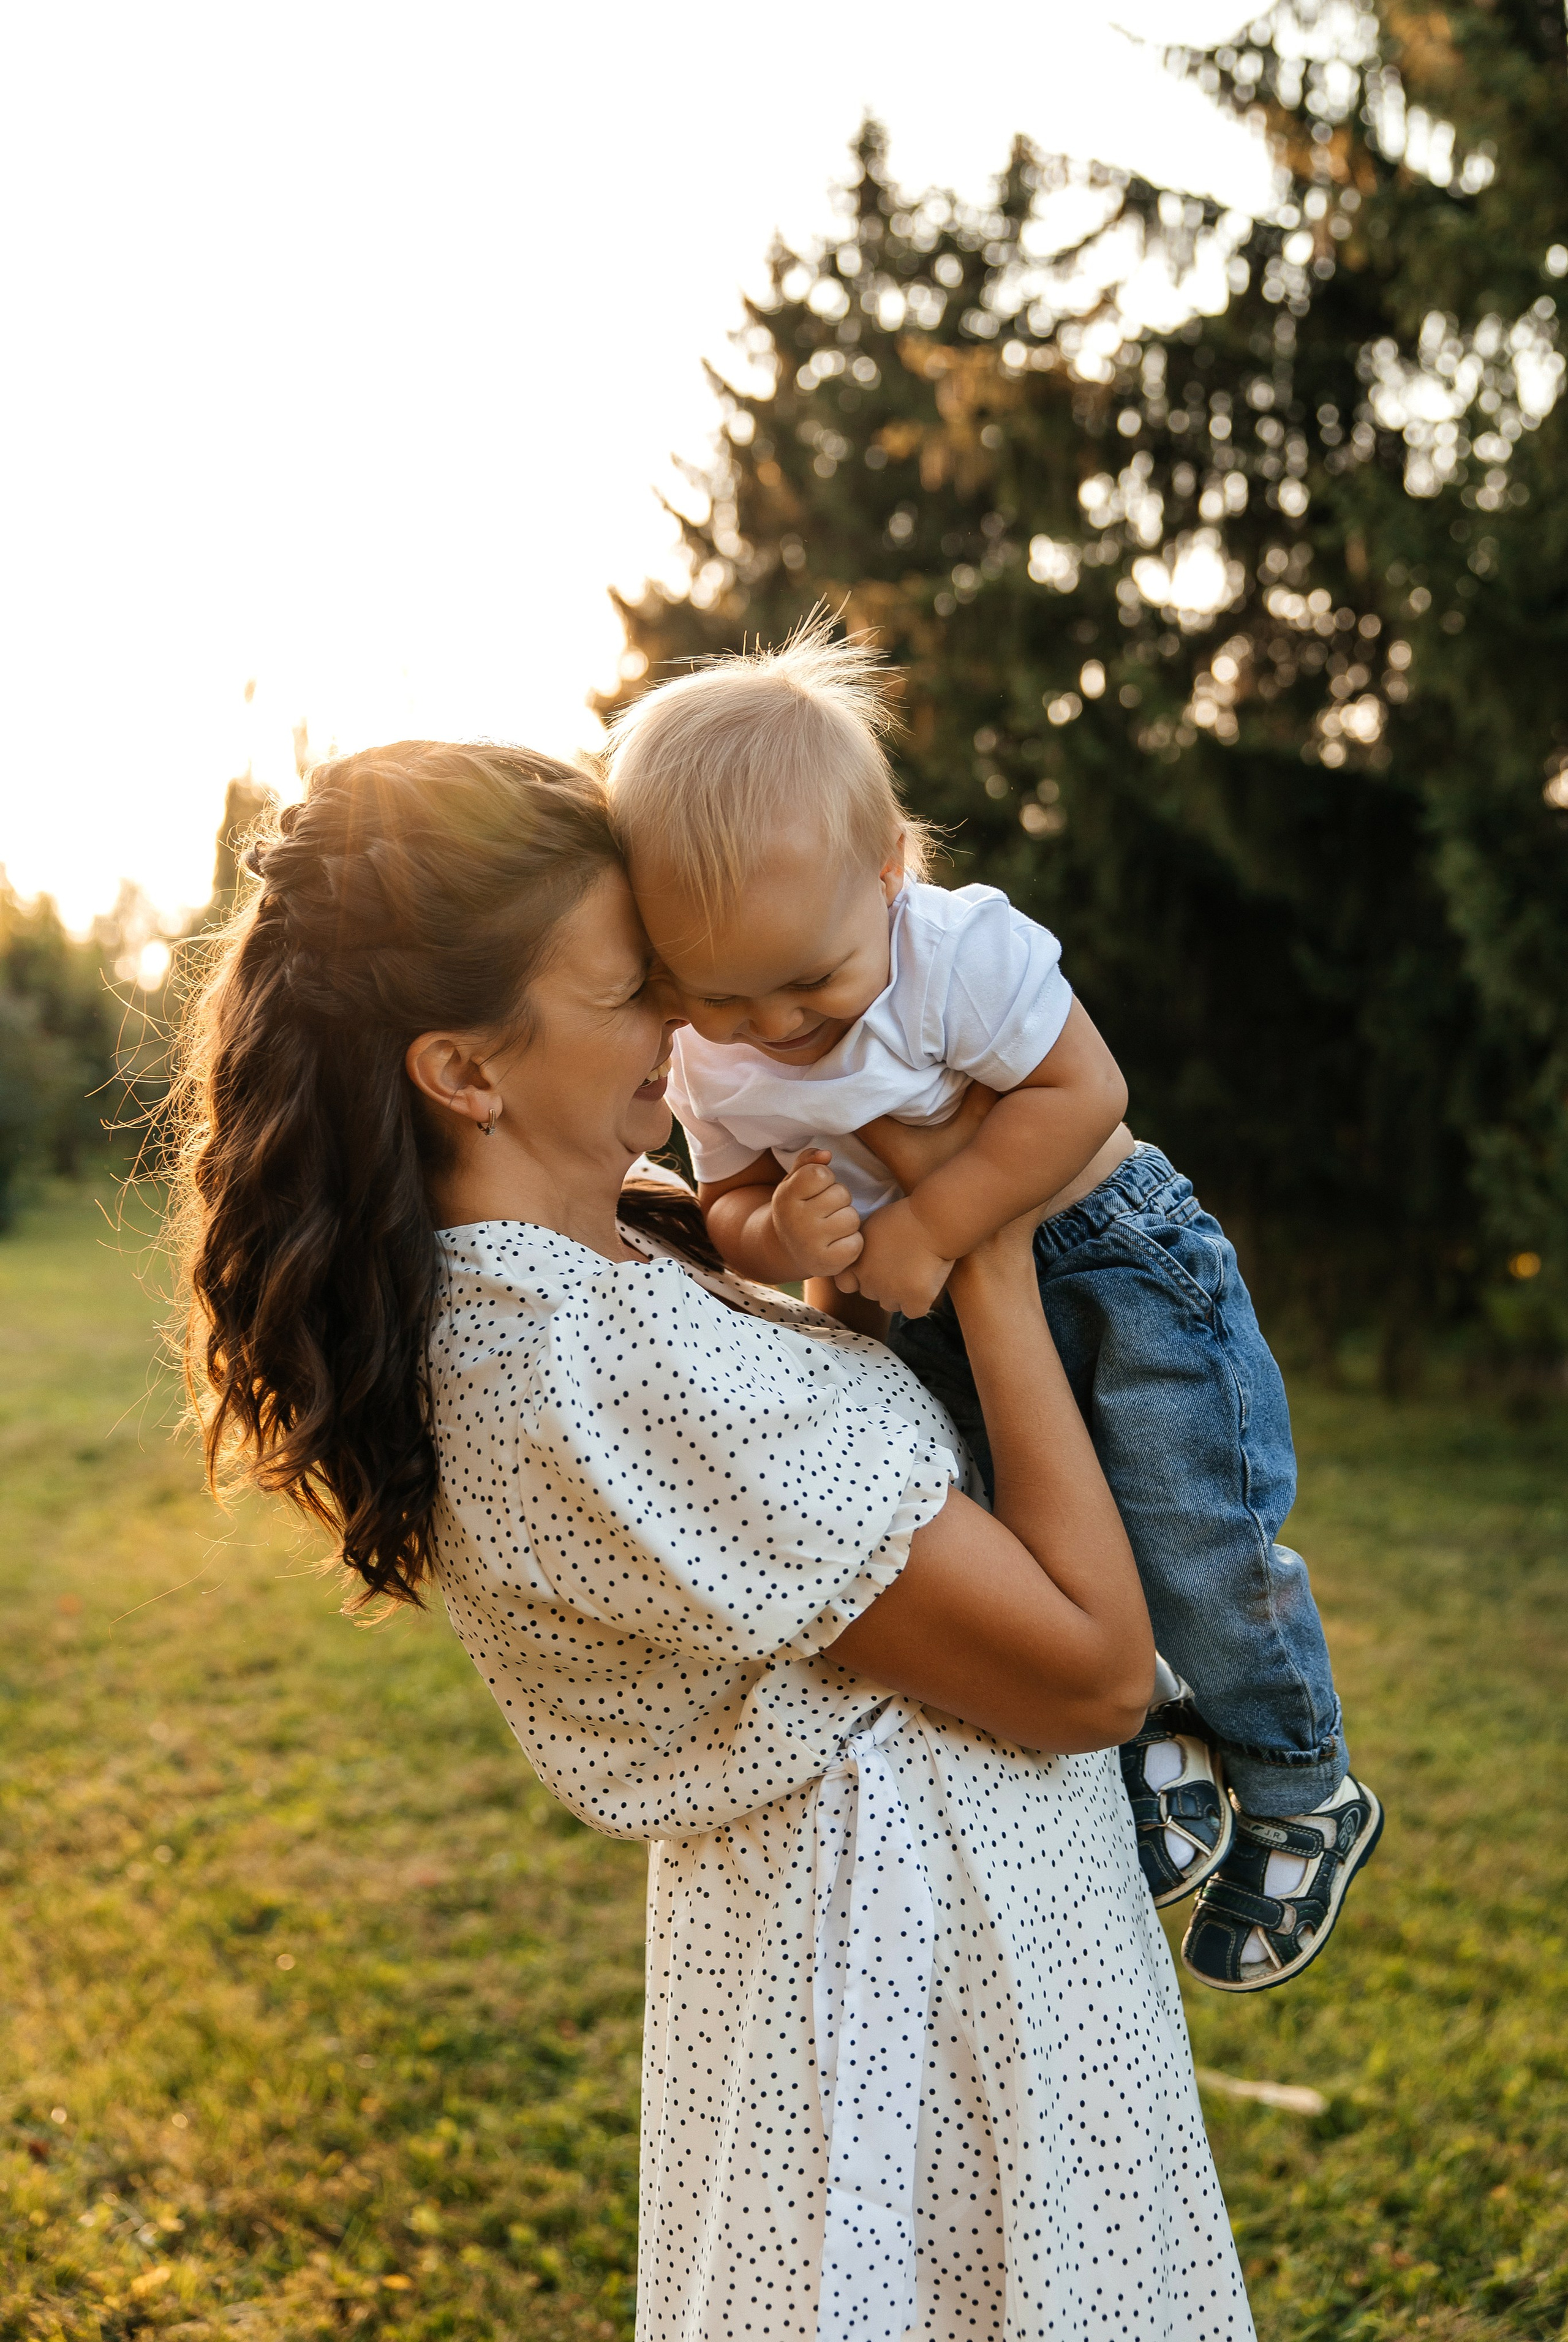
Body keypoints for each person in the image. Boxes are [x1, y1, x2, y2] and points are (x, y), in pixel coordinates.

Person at [171, 739, 1255, 2341]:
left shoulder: (620, 1249)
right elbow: (1092, 1677)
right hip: (914, 1989)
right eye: (634, 990)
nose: (689, 1024)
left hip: (929, 1939)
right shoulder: (582, 1363)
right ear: (463, 1070)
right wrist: (987, 1242)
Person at [604, 621, 1382, 1992]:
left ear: (887, 872)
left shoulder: (955, 954)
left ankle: (1300, 1783)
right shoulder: (708, 1063)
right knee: (1025, 1540)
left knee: (1190, 1530)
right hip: (926, 1315)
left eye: (811, 981)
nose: (777, 1027)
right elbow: (728, 1205)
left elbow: (1084, 1094)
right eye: (721, 996)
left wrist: (933, 1228)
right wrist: (777, 1231)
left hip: (1111, 1258)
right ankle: (1157, 1738)